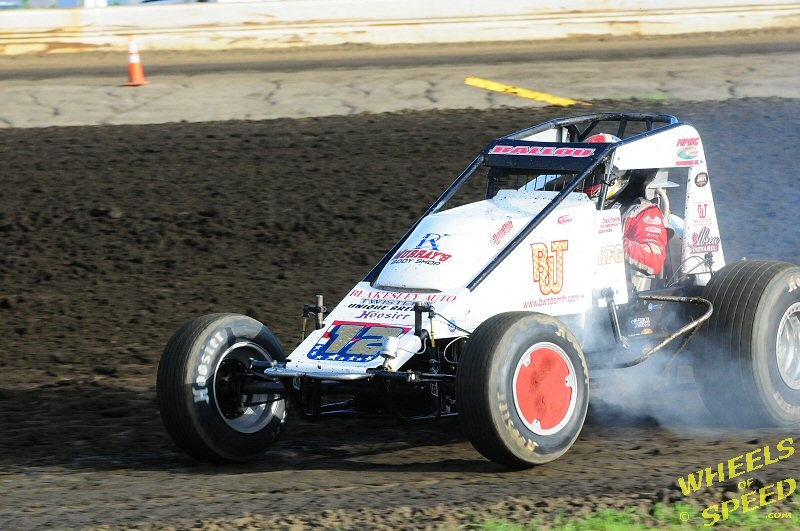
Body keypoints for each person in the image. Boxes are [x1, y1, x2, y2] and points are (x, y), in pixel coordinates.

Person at [579, 133, 669, 277]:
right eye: (586, 173)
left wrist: (612, 244)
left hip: (619, 284)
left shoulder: (642, 211)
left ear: (617, 174)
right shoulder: (571, 202)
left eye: (596, 173)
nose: (589, 178)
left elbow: (655, 259)